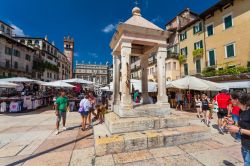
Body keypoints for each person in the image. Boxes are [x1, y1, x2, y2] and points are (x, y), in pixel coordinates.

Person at [227, 92, 250, 165]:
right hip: (244, 145)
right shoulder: (241, 111)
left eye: (231, 99)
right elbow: (244, 125)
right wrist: (233, 123)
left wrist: (238, 130)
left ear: (236, 100)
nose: (230, 101)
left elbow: (241, 129)